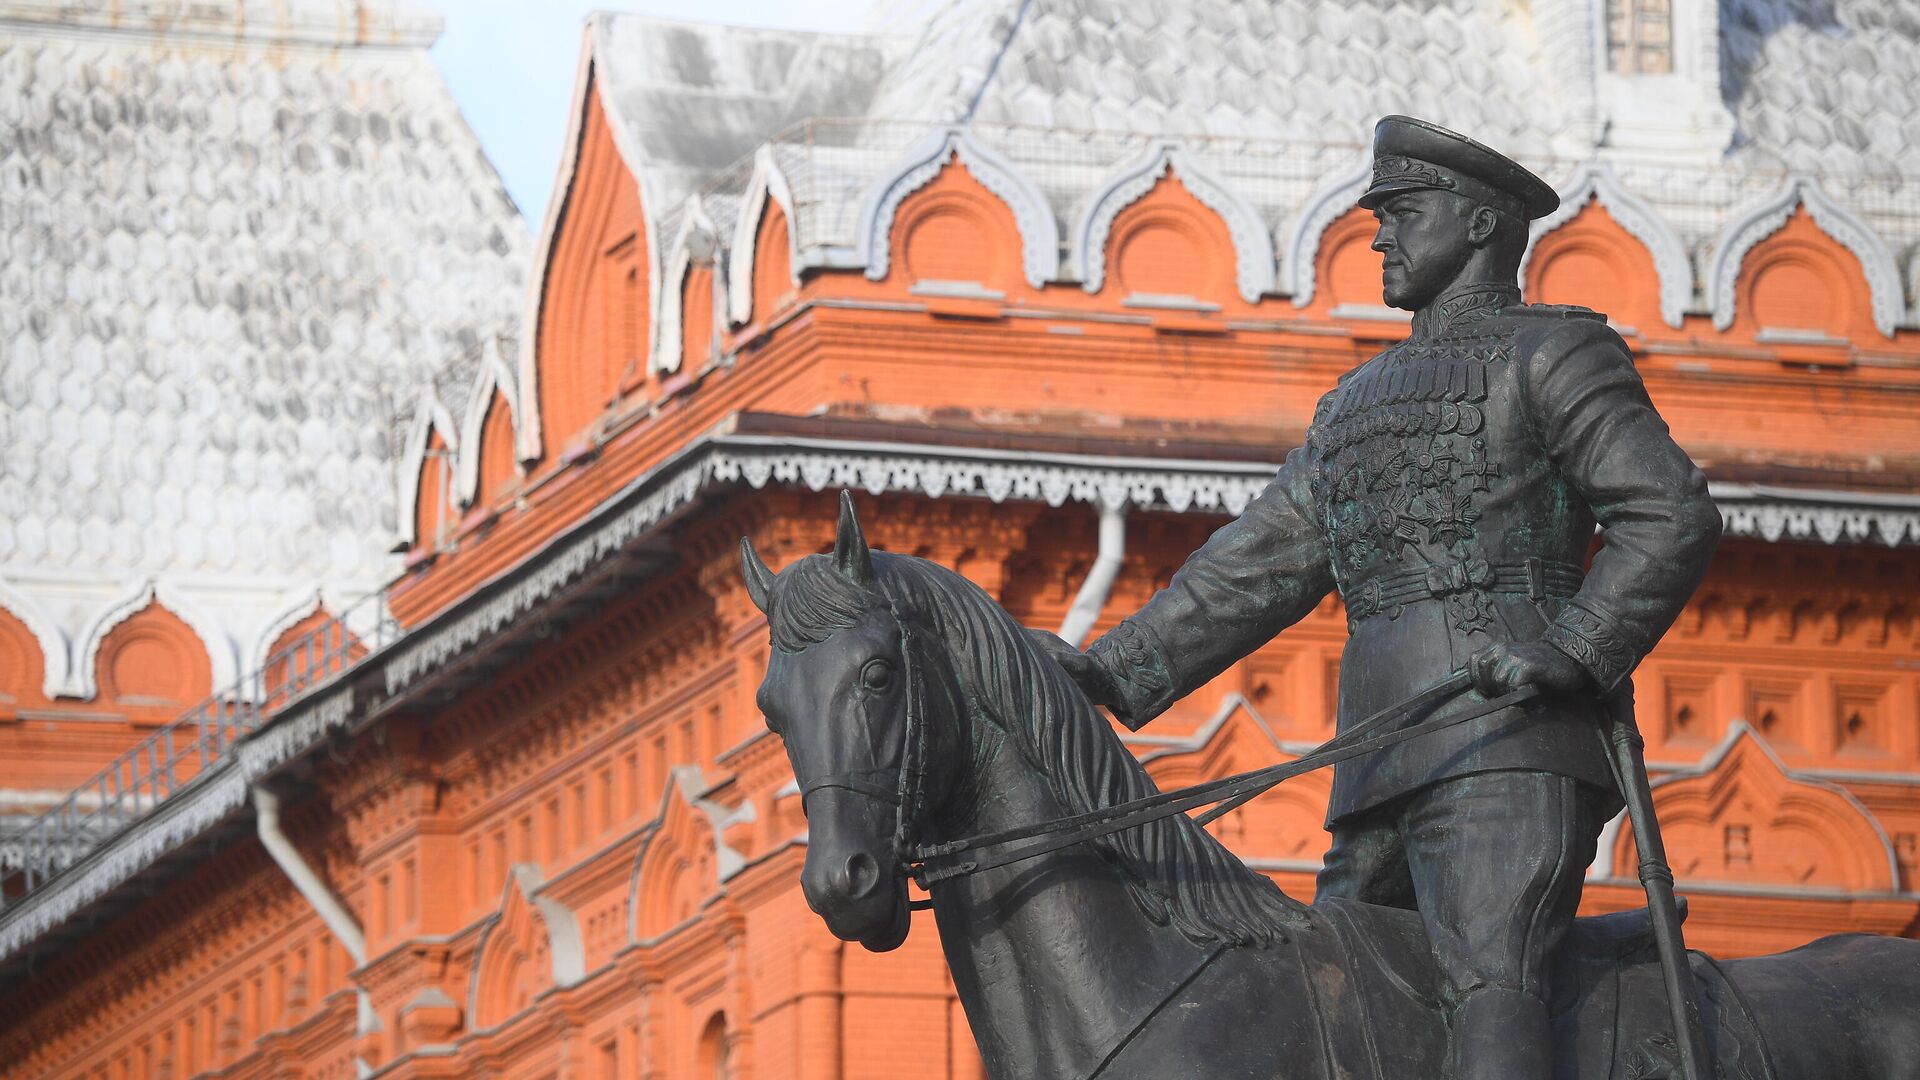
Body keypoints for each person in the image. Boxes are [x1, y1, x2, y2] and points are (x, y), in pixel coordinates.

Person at [1037, 115, 1723, 1079]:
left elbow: (1668, 510)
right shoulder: (1353, 404)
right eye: (1379, 217)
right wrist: (1112, 670)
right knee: (1338, 1002)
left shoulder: (1555, 354)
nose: (1380, 238)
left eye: (1403, 213)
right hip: (1378, 754)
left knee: (1490, 983)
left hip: (1508, 736)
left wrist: (1577, 647)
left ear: (1479, 224)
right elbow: (1258, 562)